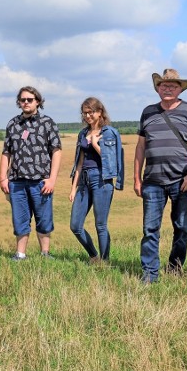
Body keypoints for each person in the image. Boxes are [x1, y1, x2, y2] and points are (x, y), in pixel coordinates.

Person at [133, 69, 187, 283]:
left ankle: (175, 268)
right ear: (157, 88)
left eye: (172, 85)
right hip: (152, 181)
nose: (167, 88)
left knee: (182, 227)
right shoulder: (147, 112)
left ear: (180, 88)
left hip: (182, 180)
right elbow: (140, 147)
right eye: (163, 85)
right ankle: (150, 274)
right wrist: (137, 178)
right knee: (149, 229)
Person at [0, 86, 62, 261]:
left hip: (40, 181)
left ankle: (45, 254)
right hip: (17, 181)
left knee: (44, 219)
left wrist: (52, 179)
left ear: (38, 102)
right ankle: (20, 254)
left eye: (30, 99)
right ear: (18, 102)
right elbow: (6, 152)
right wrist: (3, 178)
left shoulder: (47, 123)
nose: (26, 102)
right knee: (20, 219)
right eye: (23, 100)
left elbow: (56, 151)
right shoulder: (12, 124)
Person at [69, 97, 124, 263]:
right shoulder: (82, 133)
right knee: (75, 225)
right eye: (84, 113)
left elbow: (111, 160)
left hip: (102, 180)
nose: (87, 116)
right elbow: (79, 162)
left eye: (90, 112)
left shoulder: (109, 133)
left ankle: (105, 261)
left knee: (100, 224)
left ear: (100, 113)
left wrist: (95, 144)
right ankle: (94, 256)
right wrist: (73, 188)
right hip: (84, 182)